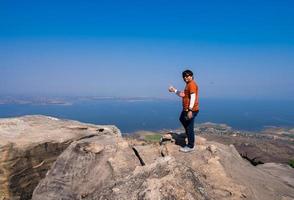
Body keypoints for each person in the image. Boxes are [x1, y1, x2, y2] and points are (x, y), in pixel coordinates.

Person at [168, 69, 199, 152]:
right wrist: (174, 90)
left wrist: (190, 110)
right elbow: (183, 95)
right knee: (182, 119)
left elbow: (193, 97)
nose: (186, 77)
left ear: (191, 76)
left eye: (187, 76)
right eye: (184, 76)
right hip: (186, 109)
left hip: (190, 110)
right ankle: (188, 134)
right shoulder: (188, 85)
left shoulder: (191, 84)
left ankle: (190, 146)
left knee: (189, 127)